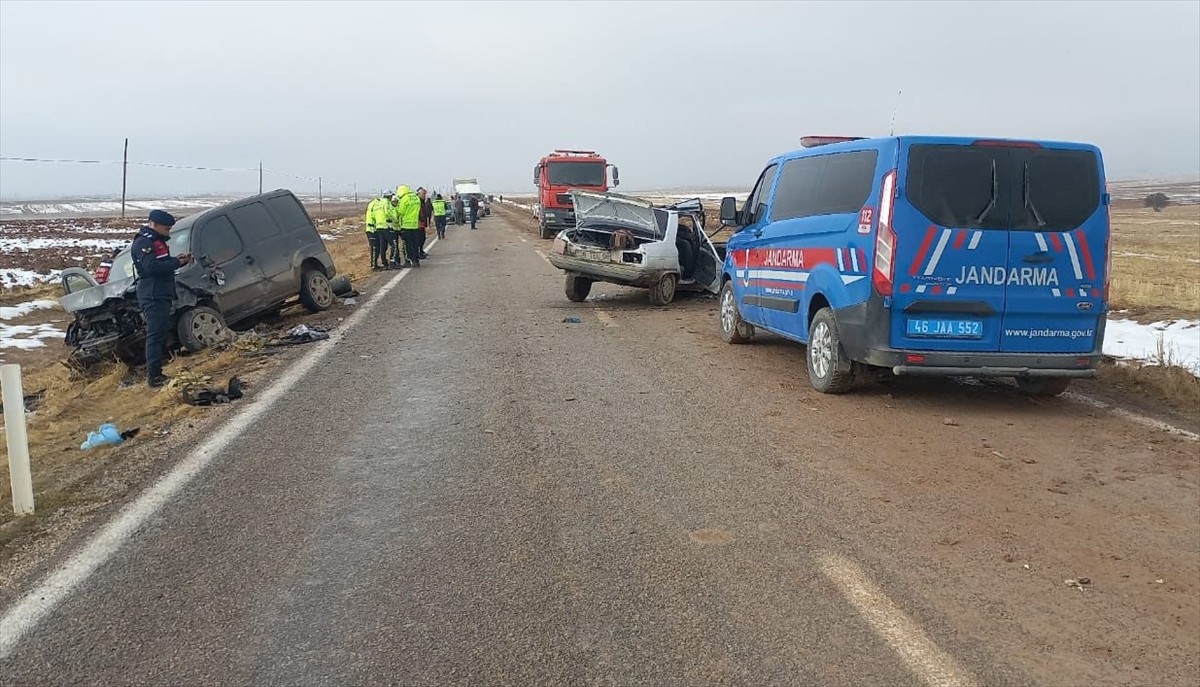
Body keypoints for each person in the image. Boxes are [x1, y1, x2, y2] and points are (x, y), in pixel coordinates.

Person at [131, 209, 191, 388]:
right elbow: (152, 267)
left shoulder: (156, 241)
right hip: (153, 294)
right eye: (166, 229)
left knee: (161, 332)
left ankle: (158, 372)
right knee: (155, 335)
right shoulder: (144, 243)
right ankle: (154, 376)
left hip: (161, 293)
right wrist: (176, 263)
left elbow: (161, 261)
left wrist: (177, 260)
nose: (168, 232)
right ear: (154, 225)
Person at [396, 185, 423, 267]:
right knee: (415, 244)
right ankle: (416, 260)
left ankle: (409, 261)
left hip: (406, 225)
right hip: (414, 225)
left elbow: (400, 211)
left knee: (407, 245)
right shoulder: (416, 198)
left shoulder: (404, 199)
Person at [364, 194, 387, 270]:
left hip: (372, 229)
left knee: (376, 248)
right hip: (372, 230)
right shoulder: (376, 205)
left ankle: (375, 265)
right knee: (375, 248)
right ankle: (373, 266)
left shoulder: (372, 204)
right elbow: (375, 217)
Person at [386, 193, 404, 268]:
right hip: (392, 229)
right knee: (394, 245)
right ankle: (393, 261)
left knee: (400, 245)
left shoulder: (399, 207)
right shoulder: (389, 208)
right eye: (394, 201)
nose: (395, 203)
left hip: (399, 228)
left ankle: (397, 261)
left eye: (396, 201)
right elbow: (392, 217)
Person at [416, 187, 432, 259]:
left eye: (425, 194)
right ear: (419, 194)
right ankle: (419, 252)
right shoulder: (417, 201)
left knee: (422, 238)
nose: (424, 196)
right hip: (418, 223)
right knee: (419, 239)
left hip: (422, 223)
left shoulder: (423, 202)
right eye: (423, 194)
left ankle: (421, 251)